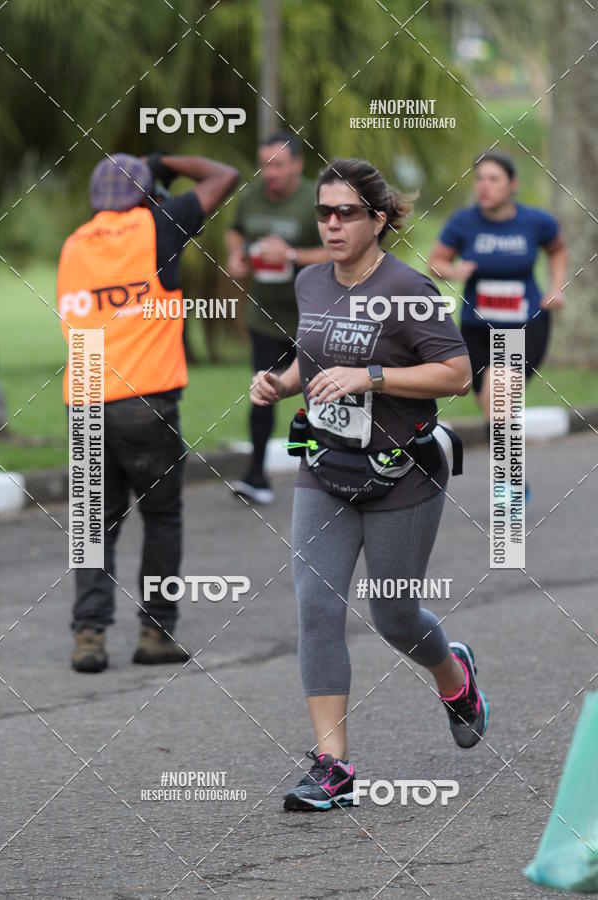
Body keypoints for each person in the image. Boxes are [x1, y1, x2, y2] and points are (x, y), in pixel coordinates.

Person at [250, 158, 490, 811]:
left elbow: (457, 375)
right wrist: (282, 381)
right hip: (325, 468)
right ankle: (334, 767)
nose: (330, 223)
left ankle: (455, 678)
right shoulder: (310, 282)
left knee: (393, 615)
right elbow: (314, 351)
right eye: (323, 212)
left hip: (402, 474)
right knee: (317, 608)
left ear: (378, 220)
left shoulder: (408, 288)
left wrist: (373, 377)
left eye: (345, 212)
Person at [58, 152, 239, 672]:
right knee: (161, 517)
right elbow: (223, 175)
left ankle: (89, 636)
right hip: (145, 398)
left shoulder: (74, 243)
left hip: (87, 392)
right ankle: (155, 633)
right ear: (145, 194)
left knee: (93, 524)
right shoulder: (157, 226)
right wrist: (161, 160)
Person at [429, 150, 568, 503]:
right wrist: (454, 270)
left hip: (525, 323)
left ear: (513, 185)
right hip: (477, 328)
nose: (484, 186)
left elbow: (557, 248)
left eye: (493, 179)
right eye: (479, 179)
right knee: (492, 404)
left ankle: (507, 482)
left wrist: (557, 287)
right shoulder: (463, 223)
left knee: (499, 393)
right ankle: (514, 480)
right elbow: (437, 262)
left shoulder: (536, 222)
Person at [226, 132, 328, 505]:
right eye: (264, 164)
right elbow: (236, 233)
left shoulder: (316, 200)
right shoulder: (250, 198)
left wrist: (291, 255)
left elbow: (338, 252)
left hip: (313, 317)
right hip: (266, 317)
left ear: (298, 165)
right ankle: (256, 476)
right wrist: (237, 258)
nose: (270, 172)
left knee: (321, 396)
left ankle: (324, 473)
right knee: (263, 394)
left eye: (278, 164)